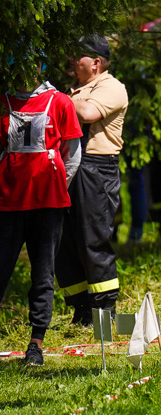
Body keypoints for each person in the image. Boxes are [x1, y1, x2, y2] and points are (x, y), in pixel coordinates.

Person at [0, 70, 82, 366]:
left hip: (47, 203)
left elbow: (72, 155)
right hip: (8, 202)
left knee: (43, 273)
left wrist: (57, 184)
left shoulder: (61, 102)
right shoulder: (3, 101)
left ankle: (36, 343)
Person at [55, 35, 128, 325]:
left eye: (78, 56)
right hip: (70, 166)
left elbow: (86, 113)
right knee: (66, 242)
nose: (72, 61)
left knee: (93, 241)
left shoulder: (111, 87)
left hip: (97, 169)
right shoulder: (75, 90)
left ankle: (104, 313)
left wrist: (58, 98)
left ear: (96, 63)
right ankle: (81, 309)